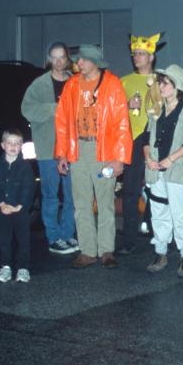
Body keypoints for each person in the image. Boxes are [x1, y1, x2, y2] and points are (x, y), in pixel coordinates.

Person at [55, 44, 132, 269]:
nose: (78, 63)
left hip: (104, 150)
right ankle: (88, 250)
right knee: (81, 203)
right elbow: (61, 121)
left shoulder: (113, 84)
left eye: (83, 60)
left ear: (95, 62)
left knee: (105, 202)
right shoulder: (71, 85)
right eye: (78, 60)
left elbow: (122, 123)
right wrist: (61, 153)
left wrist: (119, 158)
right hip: (78, 149)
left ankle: (106, 250)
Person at [143, 65, 183, 277]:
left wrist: (171, 159)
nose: (160, 86)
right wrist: (148, 158)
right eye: (160, 82)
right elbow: (145, 136)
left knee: (180, 213)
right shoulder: (156, 110)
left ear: (176, 86)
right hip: (155, 170)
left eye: (165, 82)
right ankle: (161, 252)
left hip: (178, 169)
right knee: (158, 212)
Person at [21, 42, 78, 255]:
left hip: (73, 149)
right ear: (48, 59)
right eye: (53, 57)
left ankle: (67, 234)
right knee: (51, 195)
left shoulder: (75, 83)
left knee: (72, 195)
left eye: (61, 57)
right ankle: (53, 237)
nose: (58, 62)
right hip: (47, 149)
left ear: (67, 58)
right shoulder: (39, 84)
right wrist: (54, 108)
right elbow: (26, 109)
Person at [118, 33, 161, 255]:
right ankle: (129, 239)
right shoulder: (124, 81)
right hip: (132, 140)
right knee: (130, 190)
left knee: (157, 189)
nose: (136, 57)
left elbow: (165, 108)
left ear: (151, 56)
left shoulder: (161, 80)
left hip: (154, 139)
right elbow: (115, 112)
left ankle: (158, 234)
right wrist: (126, 104)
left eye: (141, 53)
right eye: (134, 53)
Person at [0, 129, 35, 283]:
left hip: (20, 211)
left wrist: (21, 206)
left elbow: (29, 187)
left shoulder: (25, 167)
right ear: (3, 145)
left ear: (21, 146)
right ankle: (5, 266)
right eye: (9, 143)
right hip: (4, 211)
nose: (13, 146)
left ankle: (23, 268)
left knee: (23, 240)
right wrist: (1, 204)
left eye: (17, 143)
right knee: (4, 240)